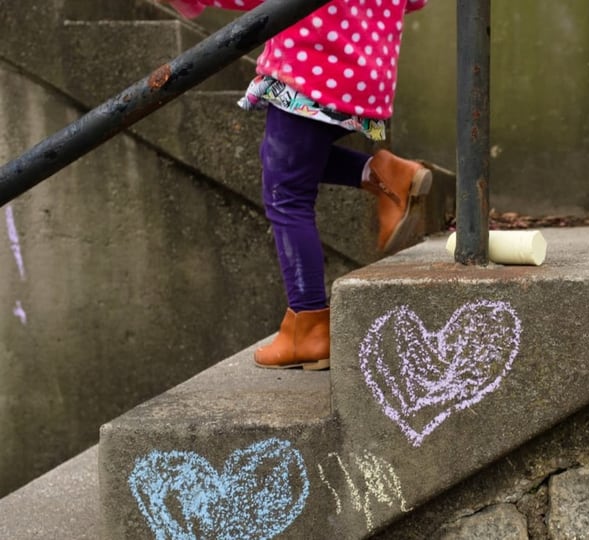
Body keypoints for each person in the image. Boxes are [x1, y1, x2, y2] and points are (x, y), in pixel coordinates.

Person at [161, 0, 432, 370]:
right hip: (365, 72)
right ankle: (384, 174)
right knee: (286, 167)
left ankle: (308, 324)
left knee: (286, 194)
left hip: (315, 69)